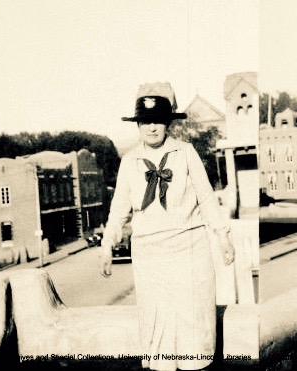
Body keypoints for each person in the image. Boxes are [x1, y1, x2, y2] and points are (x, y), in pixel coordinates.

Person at [99, 83, 235, 371]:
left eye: (158, 121)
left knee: (193, 326)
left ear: (167, 123)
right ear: (138, 125)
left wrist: (222, 236)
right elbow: (119, 209)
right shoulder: (129, 162)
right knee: (158, 326)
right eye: (145, 122)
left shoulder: (185, 153)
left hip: (190, 250)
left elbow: (207, 198)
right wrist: (107, 245)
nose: (152, 128)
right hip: (150, 256)